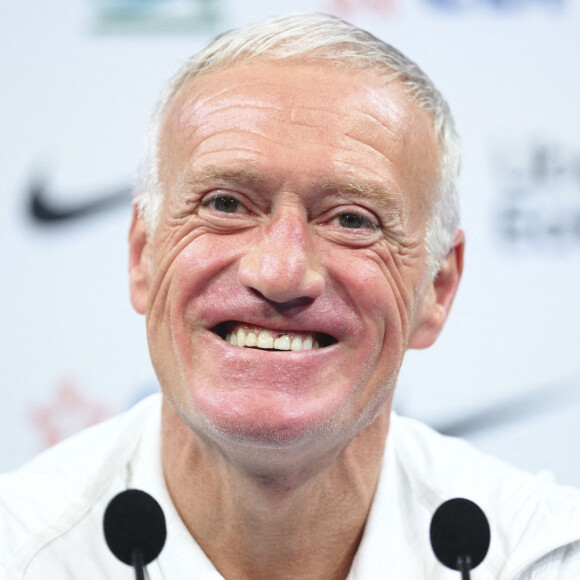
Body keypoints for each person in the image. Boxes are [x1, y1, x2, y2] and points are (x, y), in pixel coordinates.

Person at [2, 13, 580, 580]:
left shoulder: (539, 557)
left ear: (437, 288)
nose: (280, 272)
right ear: (142, 257)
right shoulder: (22, 554)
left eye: (352, 219)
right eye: (225, 204)